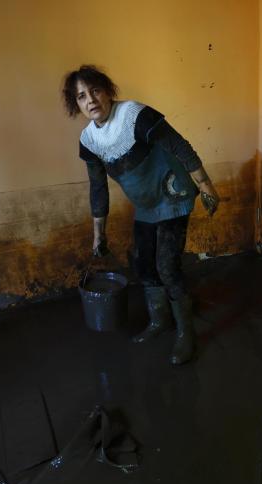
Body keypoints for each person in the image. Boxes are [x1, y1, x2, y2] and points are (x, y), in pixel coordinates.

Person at [62, 65, 220, 366]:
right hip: (146, 204)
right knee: (143, 263)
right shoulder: (89, 141)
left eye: (95, 90)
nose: (90, 100)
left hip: (173, 194)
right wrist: (99, 234)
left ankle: (187, 334)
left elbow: (179, 145)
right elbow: (98, 188)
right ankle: (160, 321)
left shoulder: (134, 115)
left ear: (108, 90)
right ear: (77, 104)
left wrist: (206, 185)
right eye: (81, 96)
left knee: (167, 265)